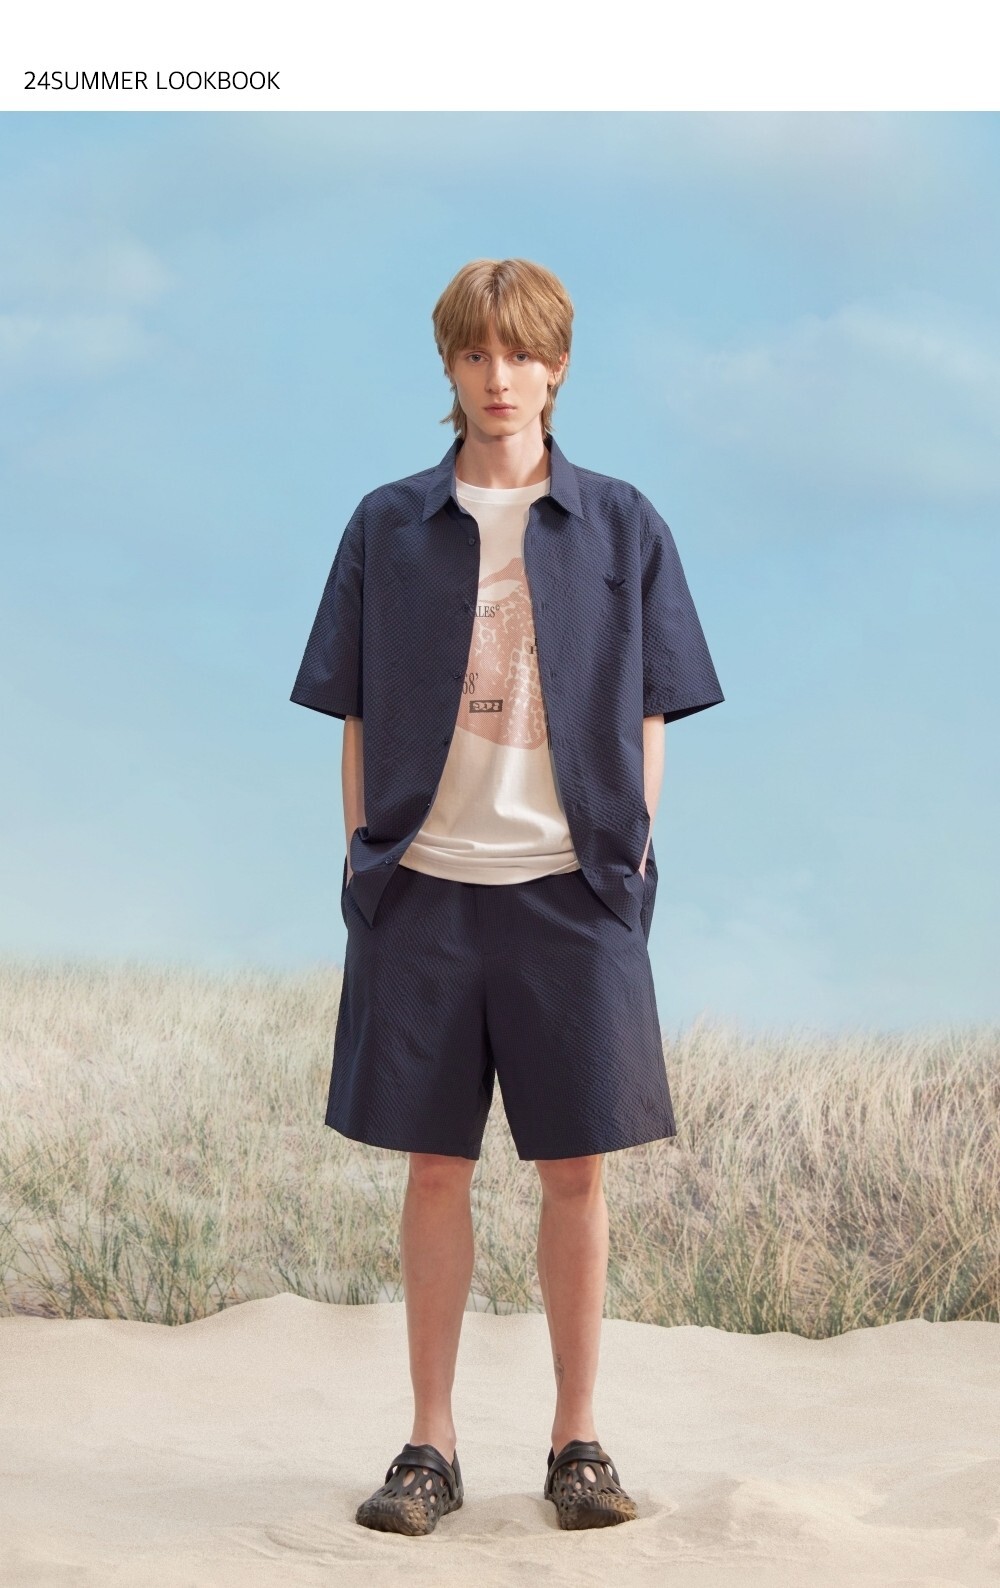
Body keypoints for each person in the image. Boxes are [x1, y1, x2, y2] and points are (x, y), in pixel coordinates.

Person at [290, 258, 725, 1535]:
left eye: (520, 354)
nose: (498, 378)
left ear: (558, 367)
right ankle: (428, 1446)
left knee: (575, 1172)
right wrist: (363, 857)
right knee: (434, 1169)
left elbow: (653, 706)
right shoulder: (386, 525)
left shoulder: (623, 523)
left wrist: (628, 860)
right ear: (449, 366)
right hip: (424, 888)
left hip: (570, 895)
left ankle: (576, 1441)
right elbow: (352, 709)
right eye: (475, 354)